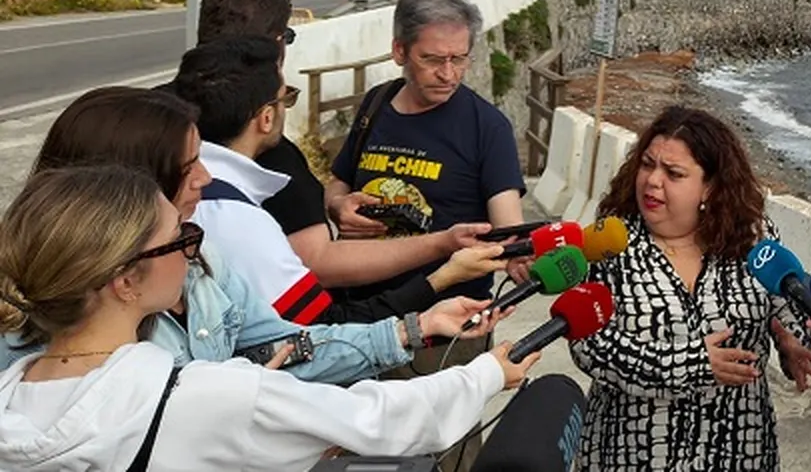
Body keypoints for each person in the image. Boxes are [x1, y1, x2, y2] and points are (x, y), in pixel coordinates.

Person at [0, 165, 542, 472]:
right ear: (125, 281)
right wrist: (489, 372)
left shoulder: (11, 398)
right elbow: (380, 420)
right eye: (179, 238)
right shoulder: (203, 396)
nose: (194, 249)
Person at [0, 86, 493, 386]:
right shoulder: (33, 331)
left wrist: (413, 329)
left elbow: (284, 344)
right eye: (188, 167)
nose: (205, 179)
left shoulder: (199, 258)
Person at [322, 0, 532, 469]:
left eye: (460, 59)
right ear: (399, 51)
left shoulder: (487, 127)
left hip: (445, 329)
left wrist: (519, 252)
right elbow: (337, 182)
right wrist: (337, 207)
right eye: (433, 59)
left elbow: (509, 225)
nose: (449, 74)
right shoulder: (376, 105)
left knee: (441, 456)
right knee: (358, 455)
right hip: (361, 317)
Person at [172, 37, 505, 326]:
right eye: (286, 98)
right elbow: (322, 330)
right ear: (266, 118)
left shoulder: (170, 179)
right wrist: (440, 278)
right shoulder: (240, 220)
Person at [568, 105, 811, 472]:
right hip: (633, 454)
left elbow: (784, 307)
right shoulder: (612, 241)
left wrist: (793, 343)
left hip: (738, 450)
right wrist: (692, 364)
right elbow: (589, 346)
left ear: (711, 187)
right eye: (647, 165)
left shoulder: (754, 238)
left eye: (673, 173)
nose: (653, 181)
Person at [195, 0, 479, 293]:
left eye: (458, 58)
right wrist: (441, 246)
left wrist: (336, 205)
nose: (447, 72)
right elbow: (318, 265)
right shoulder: (274, 157)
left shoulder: (160, 119)